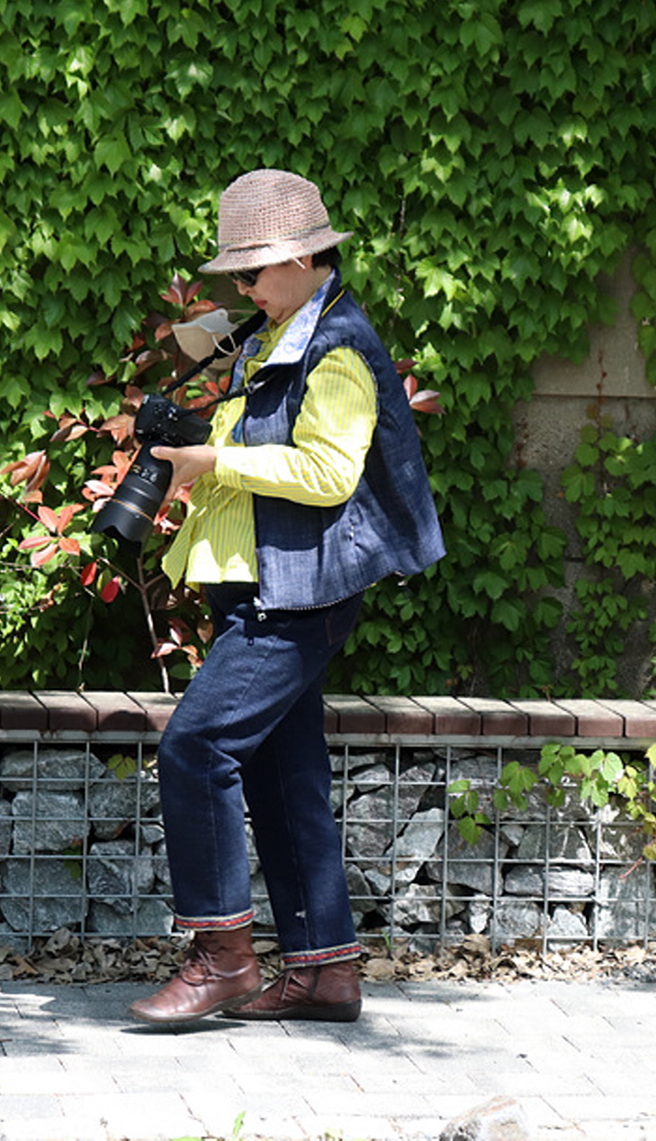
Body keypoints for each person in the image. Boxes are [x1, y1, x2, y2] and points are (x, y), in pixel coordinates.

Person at [126, 168, 445, 1025]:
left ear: (303, 257)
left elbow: (328, 472)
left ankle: (223, 958)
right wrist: (199, 466)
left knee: (195, 749)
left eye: (253, 271)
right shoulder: (280, 335)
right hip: (267, 585)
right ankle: (325, 972)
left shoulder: (335, 348)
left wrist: (217, 462)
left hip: (296, 593)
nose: (243, 288)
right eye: (237, 273)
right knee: (282, 770)